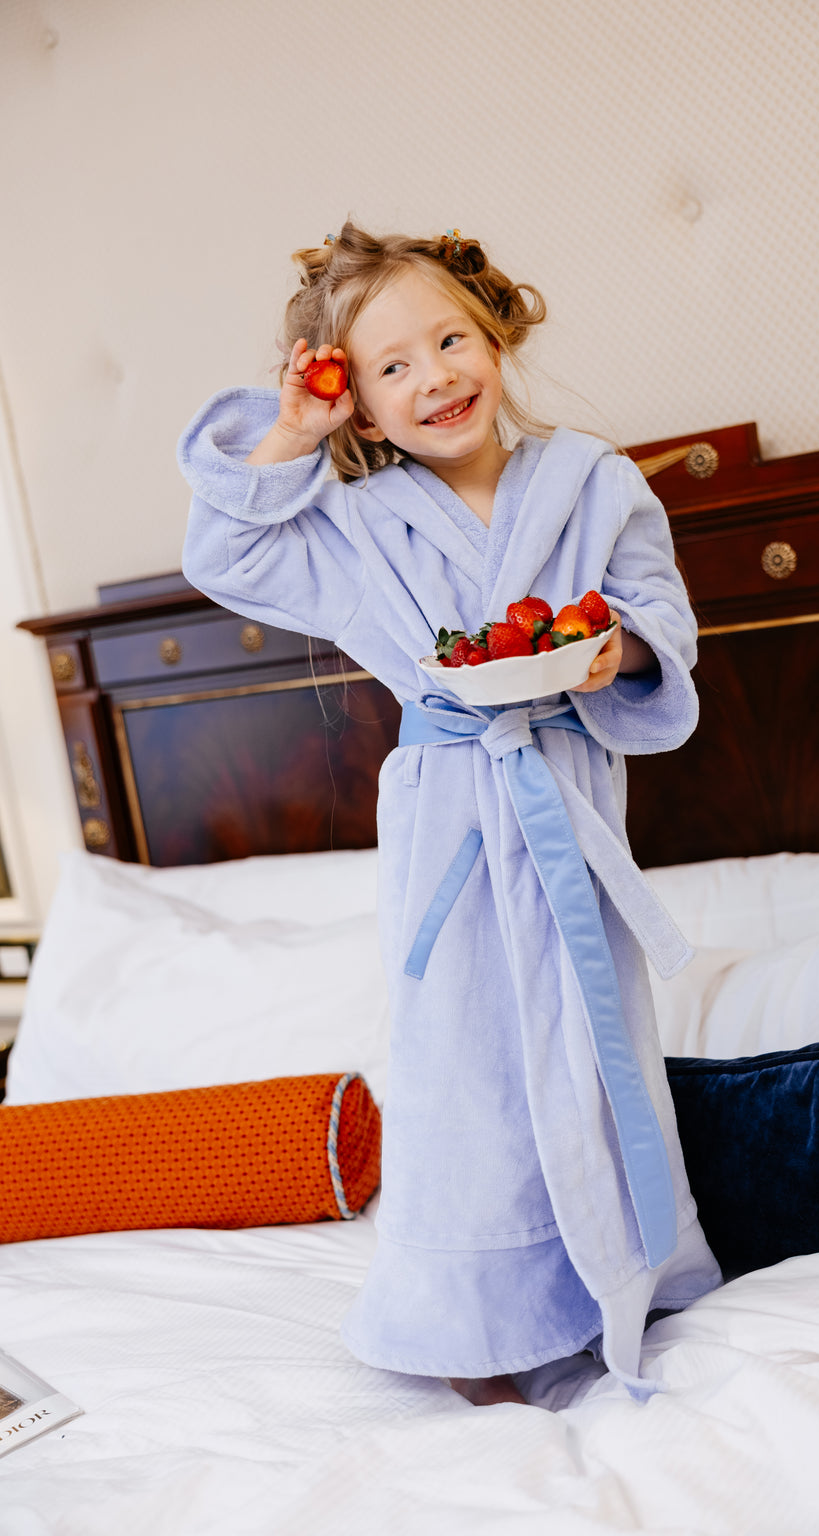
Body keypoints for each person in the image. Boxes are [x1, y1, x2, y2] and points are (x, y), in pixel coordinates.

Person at [178, 222, 721, 1407]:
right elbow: (222, 550)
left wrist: (612, 652)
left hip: (568, 805)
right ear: (359, 407)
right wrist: (290, 437)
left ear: (494, 336)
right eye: (390, 366)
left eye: (449, 339)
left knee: (591, 1052)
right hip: (449, 827)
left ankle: (619, 1281)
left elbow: (659, 626)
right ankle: (476, 1325)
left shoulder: (595, 483)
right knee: (463, 1076)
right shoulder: (354, 528)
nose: (435, 375)